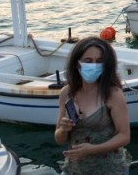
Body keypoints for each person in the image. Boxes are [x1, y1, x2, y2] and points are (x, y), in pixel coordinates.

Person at [54, 36, 131, 175]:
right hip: (74, 170)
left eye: (99, 61)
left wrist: (92, 149)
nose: (94, 65)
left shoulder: (113, 94)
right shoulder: (66, 93)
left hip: (110, 170)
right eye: (88, 61)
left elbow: (124, 136)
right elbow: (59, 139)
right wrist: (64, 129)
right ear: (77, 64)